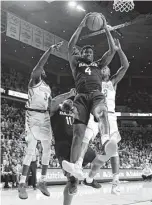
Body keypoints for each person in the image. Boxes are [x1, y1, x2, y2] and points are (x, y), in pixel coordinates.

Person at [63, 39, 129, 195]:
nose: (104, 68)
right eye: (103, 67)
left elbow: (125, 66)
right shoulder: (93, 78)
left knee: (112, 152)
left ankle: (114, 182)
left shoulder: (113, 82)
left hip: (109, 117)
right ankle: (79, 165)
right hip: (93, 109)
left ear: (107, 72)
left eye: (106, 68)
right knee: (84, 138)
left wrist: (118, 50)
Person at [62, 12, 117, 178]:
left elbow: (112, 50)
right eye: (84, 51)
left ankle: (106, 140)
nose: (87, 52)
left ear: (93, 55)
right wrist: (81, 25)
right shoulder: (75, 62)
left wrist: (106, 27)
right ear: (81, 54)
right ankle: (76, 166)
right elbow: (70, 46)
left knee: (102, 112)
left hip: (96, 94)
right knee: (78, 134)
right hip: (80, 97)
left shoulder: (99, 64)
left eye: (89, 52)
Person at [18, 42, 63, 199]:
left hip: (44, 116)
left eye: (43, 69)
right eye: (40, 68)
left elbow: (51, 106)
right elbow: (39, 65)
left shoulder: (48, 88)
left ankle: (42, 181)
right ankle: (22, 184)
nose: (41, 69)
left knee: (47, 149)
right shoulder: (34, 81)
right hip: (32, 116)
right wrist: (50, 50)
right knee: (30, 151)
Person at [50, 89, 101, 205]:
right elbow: (52, 103)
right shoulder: (57, 108)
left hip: (77, 144)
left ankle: (89, 179)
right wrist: (68, 94)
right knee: (72, 180)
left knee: (98, 160)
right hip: (63, 144)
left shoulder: (76, 110)